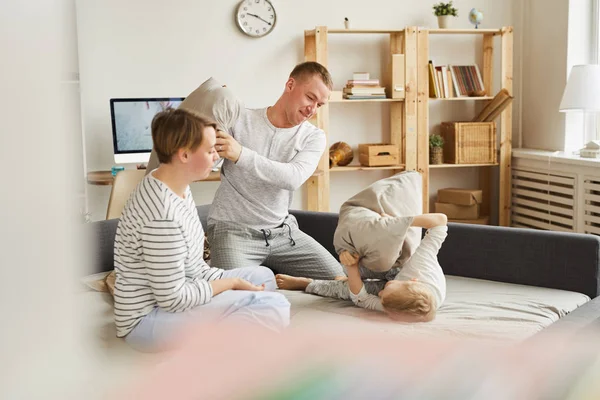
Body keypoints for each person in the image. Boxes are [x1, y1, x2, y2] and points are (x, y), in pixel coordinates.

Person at [113, 108, 290, 351]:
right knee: (274, 305)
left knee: (264, 277)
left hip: (178, 291)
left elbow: (194, 267)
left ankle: (228, 337)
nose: (216, 157)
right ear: (184, 155)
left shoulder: (176, 185)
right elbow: (173, 299)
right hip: (147, 320)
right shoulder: (162, 215)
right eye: (209, 151)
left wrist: (231, 283)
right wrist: (229, 284)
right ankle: (224, 360)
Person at [207, 61, 345, 280]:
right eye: (310, 98)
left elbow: (293, 178)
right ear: (290, 85)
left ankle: (297, 283)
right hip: (233, 231)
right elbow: (205, 150)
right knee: (233, 297)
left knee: (341, 281)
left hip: (283, 234)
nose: (312, 109)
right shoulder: (240, 119)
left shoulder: (313, 136)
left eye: (320, 105)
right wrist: (217, 104)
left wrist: (240, 153)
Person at [276, 213, 448, 322]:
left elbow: (362, 299)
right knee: (369, 262)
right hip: (402, 265)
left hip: (399, 283)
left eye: (382, 297)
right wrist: (398, 223)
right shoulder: (421, 265)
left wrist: (352, 269)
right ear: (413, 280)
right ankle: (351, 272)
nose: (380, 294)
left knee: (348, 289)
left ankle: (307, 284)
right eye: (385, 291)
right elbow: (440, 221)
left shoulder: (398, 306)